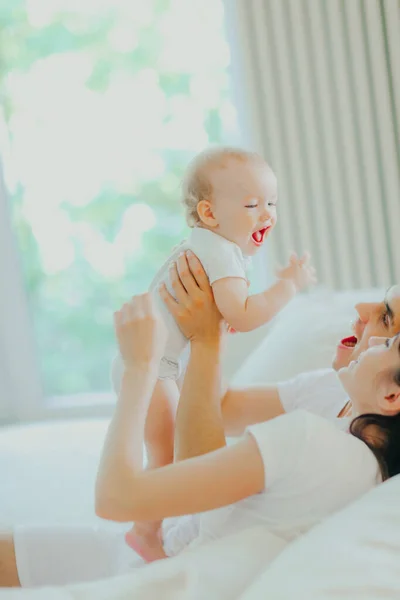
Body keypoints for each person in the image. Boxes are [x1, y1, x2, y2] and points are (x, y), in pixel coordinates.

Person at [1, 253, 400, 588]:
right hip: (163, 545)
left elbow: (119, 496)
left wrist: (142, 368)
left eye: (385, 321)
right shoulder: (335, 396)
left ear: (392, 395)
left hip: (167, 568)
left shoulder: (316, 444)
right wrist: (196, 337)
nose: (362, 310)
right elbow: (221, 407)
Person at [112, 147, 316, 559]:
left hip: (155, 362)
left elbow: (230, 318)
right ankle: (146, 532)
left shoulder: (213, 245)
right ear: (209, 213)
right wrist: (289, 286)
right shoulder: (221, 252)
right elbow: (244, 313)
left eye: (272, 203)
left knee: (167, 449)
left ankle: (150, 527)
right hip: (150, 366)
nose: (267, 214)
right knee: (167, 451)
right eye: (252, 204)